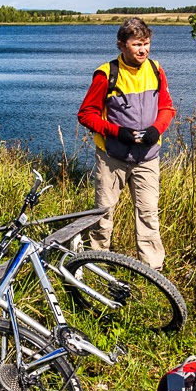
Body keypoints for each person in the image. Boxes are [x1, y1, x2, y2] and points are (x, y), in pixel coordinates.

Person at [77, 17, 176, 270]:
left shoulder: (156, 70)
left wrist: (156, 129)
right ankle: (96, 263)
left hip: (147, 158)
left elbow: (167, 107)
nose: (143, 50)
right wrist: (117, 132)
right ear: (122, 45)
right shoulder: (106, 74)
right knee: (103, 214)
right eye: (136, 45)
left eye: (146, 43)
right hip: (112, 157)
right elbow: (85, 114)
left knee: (148, 215)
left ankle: (153, 271)